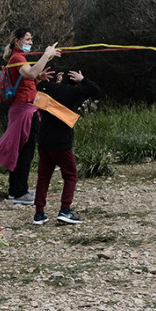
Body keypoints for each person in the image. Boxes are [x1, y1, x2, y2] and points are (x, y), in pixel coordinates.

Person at [0, 28, 61, 205]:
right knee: (25, 152)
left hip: (24, 109)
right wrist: (46, 55)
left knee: (22, 150)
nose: (31, 43)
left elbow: (27, 79)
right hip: (24, 111)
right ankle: (19, 192)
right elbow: (29, 73)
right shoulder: (18, 58)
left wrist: (37, 79)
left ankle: (16, 189)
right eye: (28, 39)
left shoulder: (18, 58)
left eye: (31, 39)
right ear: (17, 41)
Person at [33, 69, 100, 225]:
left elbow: (35, 93)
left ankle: (39, 213)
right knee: (70, 175)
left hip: (44, 140)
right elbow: (95, 89)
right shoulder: (71, 91)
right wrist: (82, 79)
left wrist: (50, 82)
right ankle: (65, 210)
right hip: (62, 141)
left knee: (43, 177)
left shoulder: (46, 89)